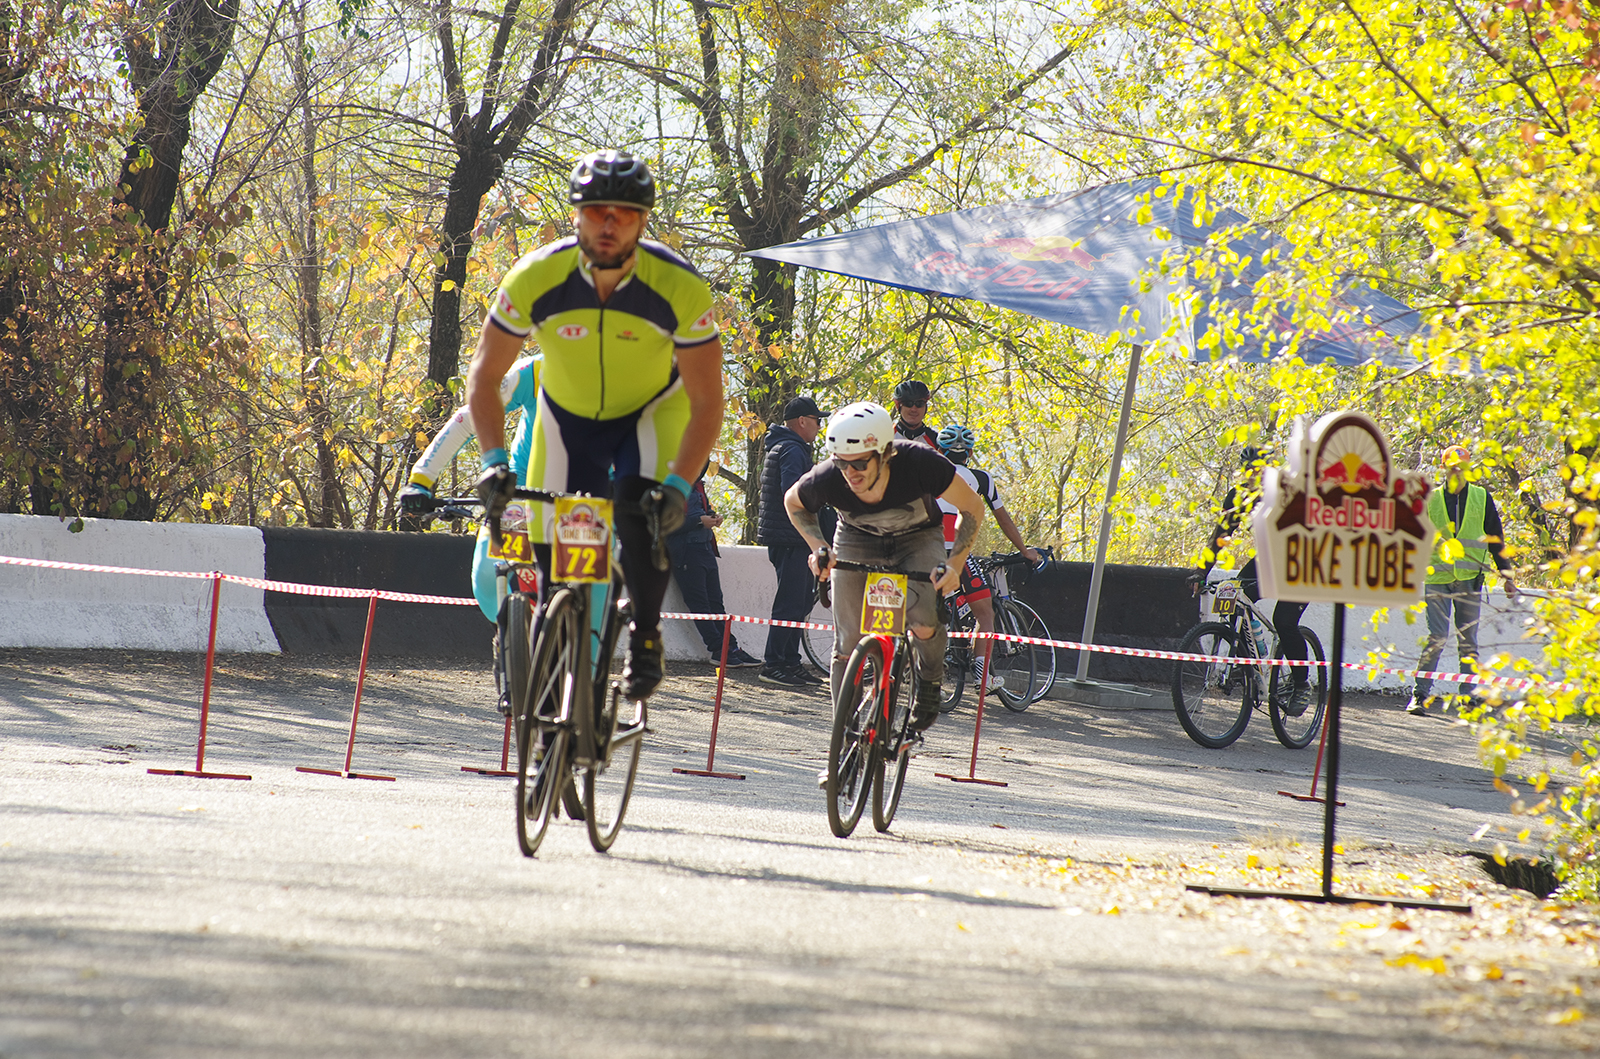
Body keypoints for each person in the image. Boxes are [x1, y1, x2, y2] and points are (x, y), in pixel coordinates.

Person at [465, 149, 725, 704]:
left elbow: (707, 401)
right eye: (596, 212)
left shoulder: (679, 285)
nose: (609, 225)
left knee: (639, 517)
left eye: (624, 214)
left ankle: (646, 635)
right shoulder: (536, 276)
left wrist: (678, 486)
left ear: (643, 221)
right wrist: (493, 462)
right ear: (576, 215)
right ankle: (547, 691)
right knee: (546, 567)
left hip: (650, 415)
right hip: (567, 421)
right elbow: (485, 376)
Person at [784, 401, 988, 735]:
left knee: (924, 621)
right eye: (842, 463)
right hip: (856, 538)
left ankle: (929, 682)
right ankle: (845, 736)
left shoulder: (920, 462)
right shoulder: (829, 476)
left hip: (918, 538)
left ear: (886, 454)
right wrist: (818, 546)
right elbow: (793, 502)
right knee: (847, 644)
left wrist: (954, 564)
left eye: (860, 463)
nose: (850, 473)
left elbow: (973, 507)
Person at [400, 356, 541, 625]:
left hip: (593, 492)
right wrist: (421, 480)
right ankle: (513, 637)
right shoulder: (535, 371)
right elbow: (468, 418)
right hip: (522, 490)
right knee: (489, 575)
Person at [1196, 445, 1313, 715]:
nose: (1253, 474)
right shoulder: (1239, 495)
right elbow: (1220, 536)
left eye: (1259, 469)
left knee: (1284, 621)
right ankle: (1249, 661)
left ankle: (1301, 684)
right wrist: (1200, 572)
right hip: (1271, 558)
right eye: (1249, 470)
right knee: (1235, 596)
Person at [1407, 445, 1518, 714]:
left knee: (1468, 640)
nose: (1457, 470)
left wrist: (1507, 575)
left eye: (1462, 466)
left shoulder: (1481, 497)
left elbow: (1496, 538)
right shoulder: (1430, 499)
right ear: (1443, 468)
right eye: (1453, 466)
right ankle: (1419, 695)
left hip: (1470, 578)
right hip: (1438, 577)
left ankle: (1469, 698)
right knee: (1437, 637)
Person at [934, 423, 1042, 692]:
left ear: (939, 450)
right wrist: (1025, 550)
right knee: (985, 613)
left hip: (926, 548)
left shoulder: (927, 472)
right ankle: (982, 677)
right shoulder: (980, 478)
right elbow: (1003, 519)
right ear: (970, 452)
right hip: (957, 550)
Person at [756, 395, 829, 687]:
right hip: (791, 537)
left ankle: (790, 661)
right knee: (790, 602)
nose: (819, 426)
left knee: (799, 602)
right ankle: (774, 664)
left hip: (789, 537)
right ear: (802, 421)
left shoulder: (786, 446)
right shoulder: (793, 449)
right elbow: (793, 492)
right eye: (816, 420)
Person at [668, 466, 761, 668]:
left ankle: (731, 647)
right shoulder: (672, 487)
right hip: (685, 551)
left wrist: (712, 517)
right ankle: (718, 649)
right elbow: (667, 522)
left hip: (706, 548)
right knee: (699, 604)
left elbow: (701, 511)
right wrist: (698, 521)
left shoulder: (698, 486)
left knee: (716, 603)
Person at [891, 380, 939, 447]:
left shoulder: (936, 441)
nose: (914, 409)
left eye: (919, 403)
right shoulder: (885, 436)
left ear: (926, 407)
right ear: (898, 406)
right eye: (908, 403)